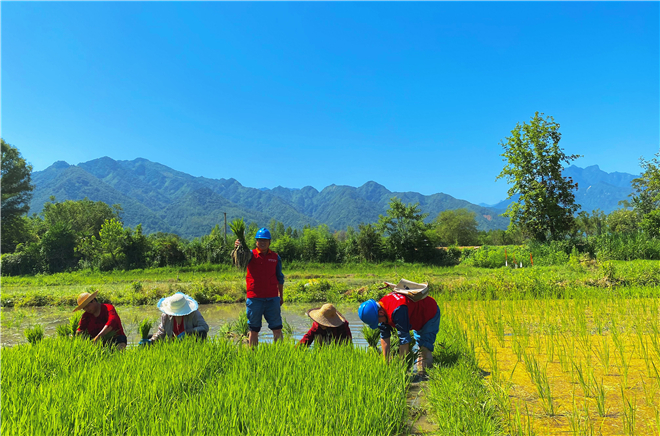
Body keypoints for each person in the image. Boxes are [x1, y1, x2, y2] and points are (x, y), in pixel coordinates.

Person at [358, 292, 440, 379]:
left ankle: (425, 379)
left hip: (428, 313)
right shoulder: (380, 308)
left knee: (424, 349)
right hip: (416, 316)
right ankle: (422, 374)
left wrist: (402, 369)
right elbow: (384, 336)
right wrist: (386, 364)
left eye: (377, 321)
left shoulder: (398, 310)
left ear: (381, 313)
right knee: (420, 348)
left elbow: (404, 340)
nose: (379, 323)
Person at [235, 227, 285, 347]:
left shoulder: (275, 257)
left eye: (265, 240)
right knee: (253, 329)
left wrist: (281, 296)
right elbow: (239, 259)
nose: (262, 243)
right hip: (255, 298)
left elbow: (280, 277)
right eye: (259, 240)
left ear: (269, 242)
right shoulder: (250, 255)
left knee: (277, 328)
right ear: (256, 242)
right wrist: (238, 247)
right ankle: (253, 355)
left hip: (272, 298)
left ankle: (281, 354)